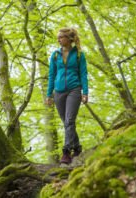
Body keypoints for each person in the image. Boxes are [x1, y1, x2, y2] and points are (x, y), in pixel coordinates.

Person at [45, 27, 88, 164]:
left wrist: (85, 93)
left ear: (69, 39)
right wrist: (49, 94)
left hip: (74, 90)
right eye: (58, 38)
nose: (58, 40)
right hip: (58, 92)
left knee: (69, 121)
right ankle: (77, 147)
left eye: (61, 37)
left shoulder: (79, 55)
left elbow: (83, 74)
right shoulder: (55, 55)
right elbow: (51, 75)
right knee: (67, 122)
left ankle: (66, 152)